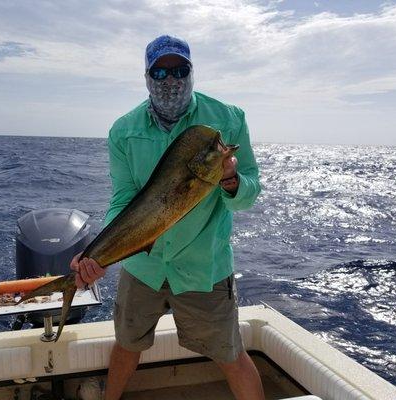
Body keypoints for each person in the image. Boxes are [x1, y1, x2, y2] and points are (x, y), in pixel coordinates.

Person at [71, 35, 264, 400]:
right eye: (160, 70)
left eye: (180, 70)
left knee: (231, 354)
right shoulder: (124, 130)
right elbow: (123, 200)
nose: (170, 79)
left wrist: (231, 179)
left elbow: (249, 194)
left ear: (192, 74)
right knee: (127, 344)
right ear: (147, 77)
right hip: (144, 267)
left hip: (202, 265)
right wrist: (96, 255)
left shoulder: (229, 119)